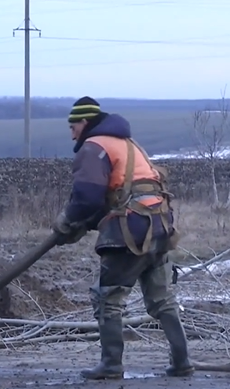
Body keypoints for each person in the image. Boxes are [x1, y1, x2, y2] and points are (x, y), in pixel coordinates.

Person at [51, 96, 195, 380]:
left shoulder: (95, 147)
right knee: (162, 299)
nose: (71, 134)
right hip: (160, 226)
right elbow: (118, 193)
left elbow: (87, 197)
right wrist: (88, 223)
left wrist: (67, 223)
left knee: (108, 298)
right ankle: (182, 362)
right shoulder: (130, 144)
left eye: (74, 126)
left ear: (86, 122)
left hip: (130, 229)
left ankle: (111, 365)